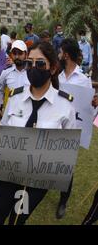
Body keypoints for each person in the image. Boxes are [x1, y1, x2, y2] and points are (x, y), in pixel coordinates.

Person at [0, 41, 76, 225]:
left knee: (18, 218)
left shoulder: (65, 106)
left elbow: (68, 150)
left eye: (41, 63)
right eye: (30, 63)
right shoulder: (15, 98)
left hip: (37, 181)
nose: (34, 67)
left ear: (52, 68)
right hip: (8, 173)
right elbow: (3, 131)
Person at [55, 38, 93, 219]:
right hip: (55, 127)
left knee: (67, 167)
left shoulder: (84, 80)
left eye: (60, 52)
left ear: (66, 55)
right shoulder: (57, 77)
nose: (58, 55)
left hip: (73, 130)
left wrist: (93, 104)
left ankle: (63, 200)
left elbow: (88, 110)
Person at [0, 40, 30, 114]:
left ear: (26, 54)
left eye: (20, 53)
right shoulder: (6, 72)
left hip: (28, 113)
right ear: (11, 55)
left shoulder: (32, 72)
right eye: (14, 53)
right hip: (10, 113)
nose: (17, 56)